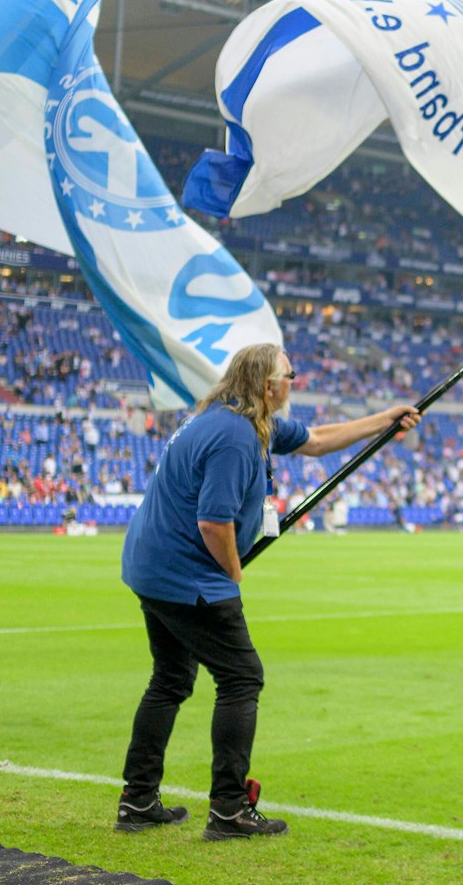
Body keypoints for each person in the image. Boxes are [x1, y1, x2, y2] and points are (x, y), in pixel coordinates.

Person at [117, 343, 419, 840]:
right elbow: (213, 522)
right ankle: (228, 809)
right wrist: (232, 575)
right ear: (266, 384)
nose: (293, 382)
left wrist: (383, 420)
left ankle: (138, 799)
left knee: (170, 679)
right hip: (186, 573)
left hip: (152, 567)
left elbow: (317, 440)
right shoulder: (236, 436)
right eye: (289, 375)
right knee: (242, 678)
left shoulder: (235, 418)